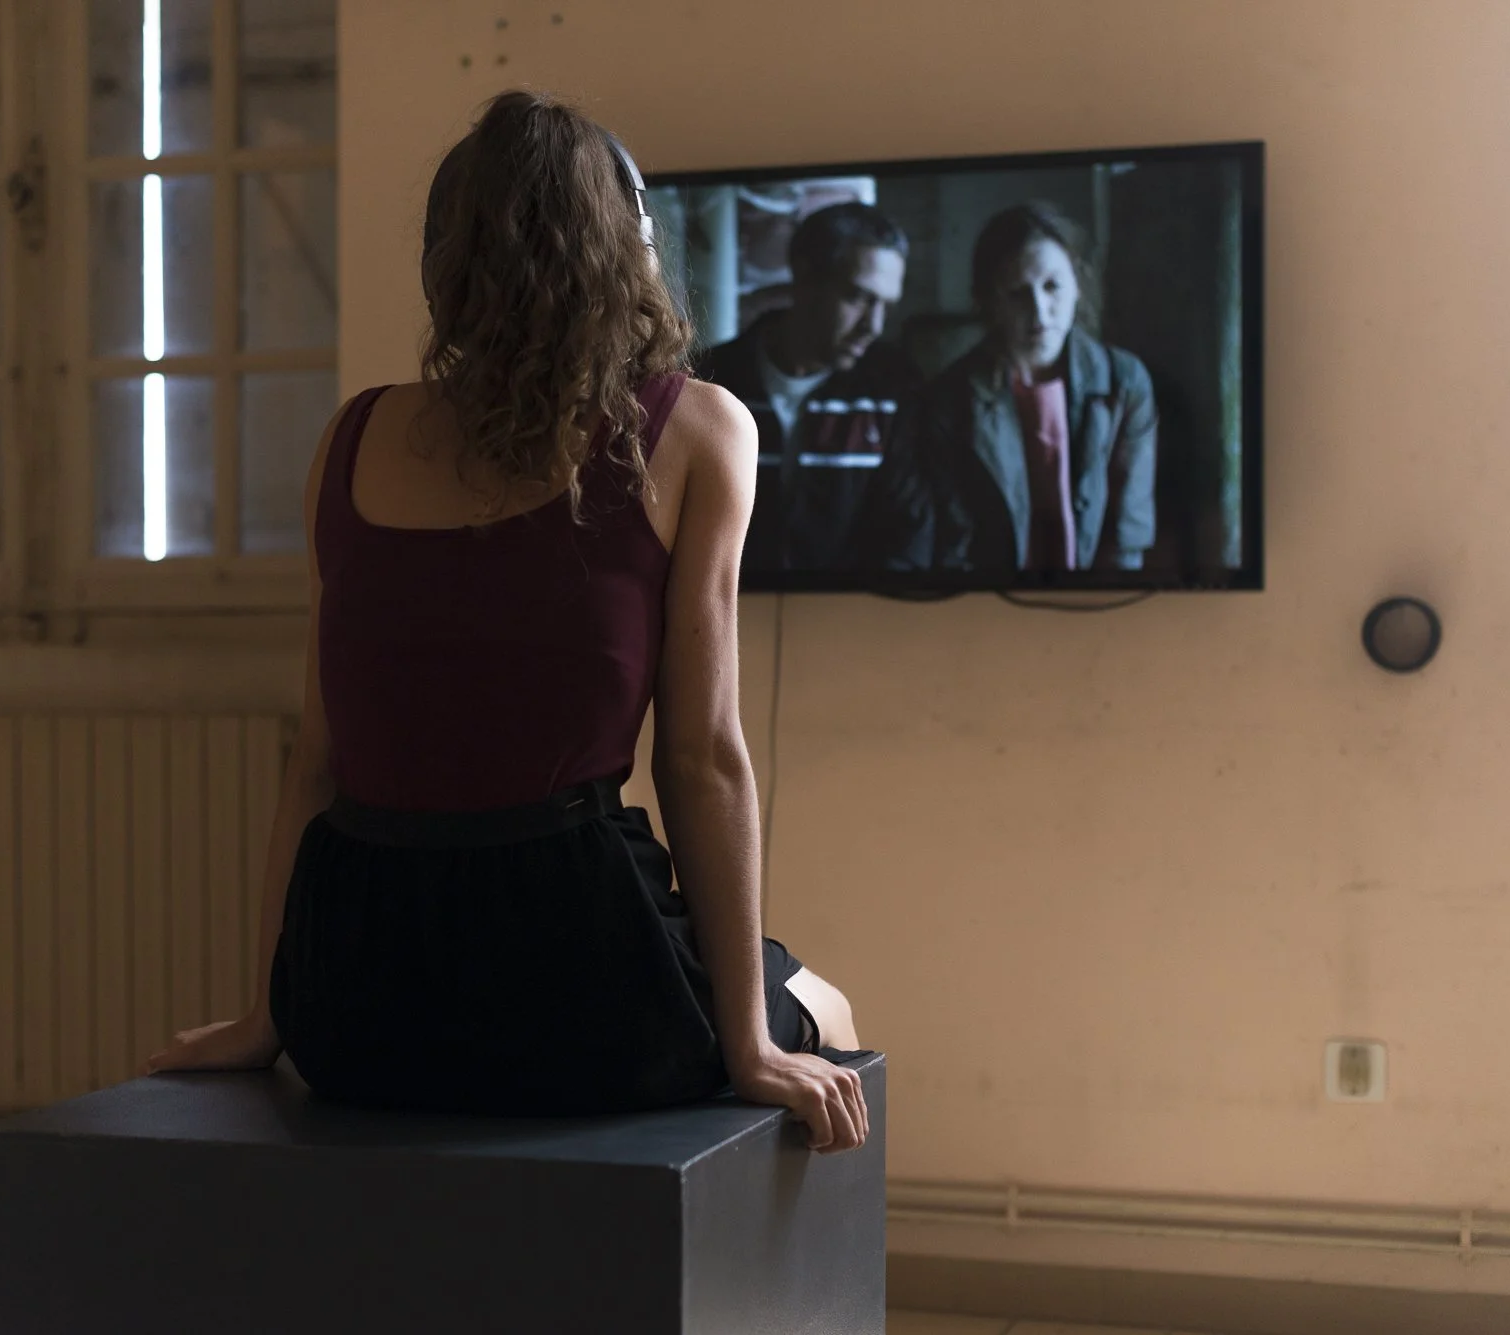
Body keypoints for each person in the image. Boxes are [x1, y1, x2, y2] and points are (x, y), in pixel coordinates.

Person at [141, 91, 868, 1154]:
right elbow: (700, 760)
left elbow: (317, 765)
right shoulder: (697, 431)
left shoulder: (353, 439)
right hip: (585, 990)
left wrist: (268, 1017)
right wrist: (751, 1045)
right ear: (630, 253)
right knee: (828, 1007)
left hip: (354, 1004)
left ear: (443, 266)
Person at [868, 202, 1156, 575]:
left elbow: (1128, 534)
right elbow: (955, 541)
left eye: (1052, 286)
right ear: (990, 302)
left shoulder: (1124, 380)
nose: (1039, 312)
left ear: (1077, 285)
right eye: (1018, 293)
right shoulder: (950, 398)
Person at [696, 202, 924, 577]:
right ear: (804, 277)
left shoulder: (893, 389)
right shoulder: (709, 381)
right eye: (858, 297)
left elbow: (910, 537)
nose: (874, 326)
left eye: (885, 305)